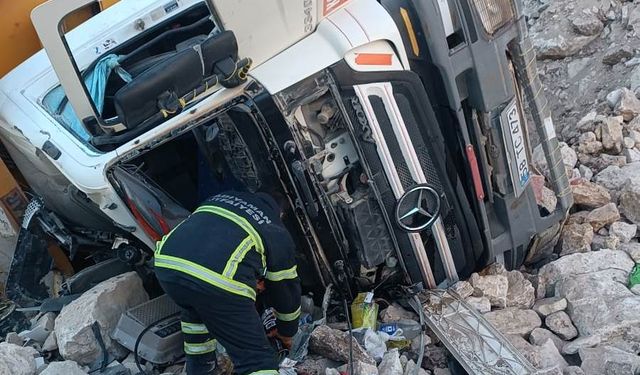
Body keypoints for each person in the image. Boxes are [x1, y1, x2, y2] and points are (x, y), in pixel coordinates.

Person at [154, 190, 301, 374]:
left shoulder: (222, 197)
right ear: (280, 214)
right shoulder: (274, 228)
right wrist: (287, 332)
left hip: (167, 266)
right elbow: (286, 290)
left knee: (197, 320)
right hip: (216, 281)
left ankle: (201, 370)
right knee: (256, 359)